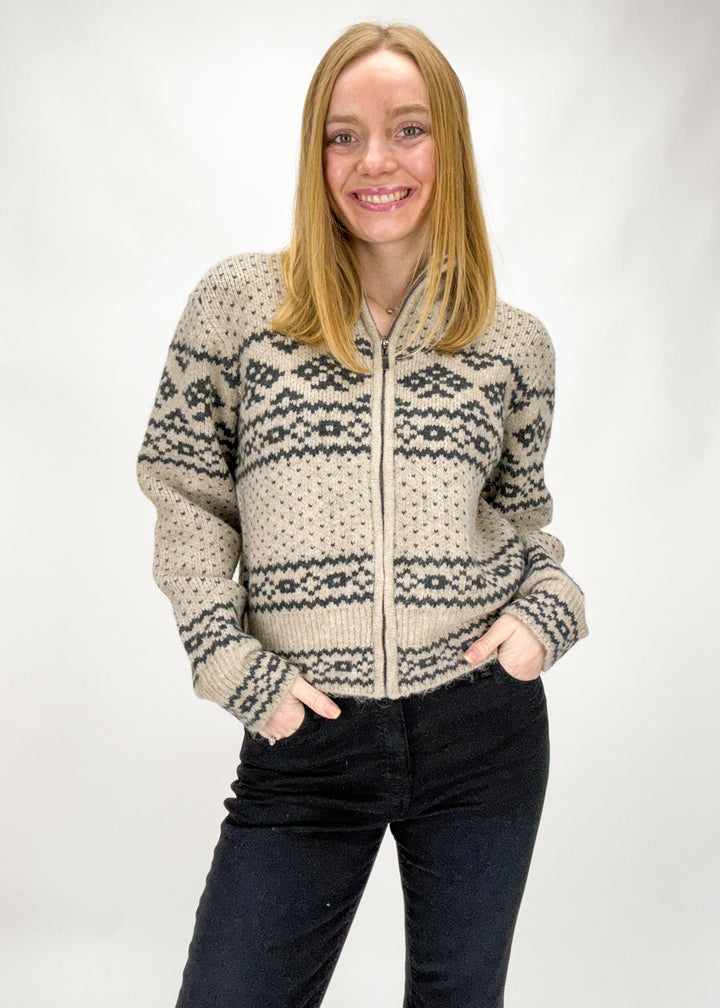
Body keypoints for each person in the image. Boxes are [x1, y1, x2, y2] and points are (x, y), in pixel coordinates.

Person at [137, 21, 588, 1008]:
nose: (373, 161)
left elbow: (524, 528)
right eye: (343, 136)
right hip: (307, 740)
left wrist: (548, 614)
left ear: (450, 146)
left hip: (484, 733)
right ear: (316, 153)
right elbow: (184, 486)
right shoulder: (242, 307)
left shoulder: (514, 345)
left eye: (408, 129)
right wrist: (229, 659)